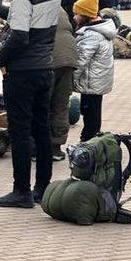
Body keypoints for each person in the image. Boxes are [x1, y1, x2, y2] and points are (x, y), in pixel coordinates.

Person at [0, 0, 61, 208]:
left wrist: (0, 59)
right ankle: (43, 188)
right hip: (45, 67)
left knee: (20, 132)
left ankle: (21, 191)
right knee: (42, 130)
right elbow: (33, 21)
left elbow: (19, 36)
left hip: (22, 71)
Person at [72, 0, 116, 142]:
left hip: (92, 81)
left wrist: (71, 81)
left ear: (86, 15)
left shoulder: (92, 35)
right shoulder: (101, 29)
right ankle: (91, 139)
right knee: (93, 112)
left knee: (91, 113)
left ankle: (89, 141)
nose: (74, 17)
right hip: (97, 80)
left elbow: (80, 61)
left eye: (77, 13)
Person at [49, 8, 77, 161]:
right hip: (68, 57)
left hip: (48, 59)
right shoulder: (59, 7)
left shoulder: (33, 3)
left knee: (42, 104)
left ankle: (38, 147)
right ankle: (55, 147)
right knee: (61, 105)